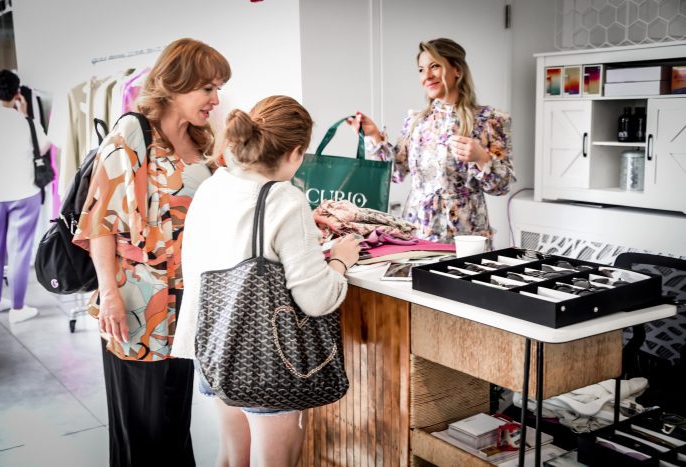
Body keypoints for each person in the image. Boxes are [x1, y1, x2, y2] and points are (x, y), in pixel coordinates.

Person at [171, 95, 361, 467]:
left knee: (231, 457)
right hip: (262, 359)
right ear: (294, 152)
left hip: (211, 349)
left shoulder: (214, 185)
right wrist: (340, 259)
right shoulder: (286, 200)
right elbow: (317, 299)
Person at [71, 38, 231, 467]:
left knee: (174, 423)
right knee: (142, 430)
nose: (216, 99)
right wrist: (109, 295)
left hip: (186, 307)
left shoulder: (200, 141)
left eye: (218, 88)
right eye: (208, 89)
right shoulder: (132, 133)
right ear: (176, 85)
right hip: (137, 305)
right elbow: (99, 221)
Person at [348, 38, 516, 243]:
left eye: (435, 66)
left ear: (457, 70)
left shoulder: (491, 119)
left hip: (465, 237)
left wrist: (481, 157)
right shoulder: (416, 121)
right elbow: (395, 173)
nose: (427, 76)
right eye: (421, 69)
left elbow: (503, 186)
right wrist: (373, 135)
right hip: (417, 231)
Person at [0, 69, 50, 323]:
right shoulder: (27, 123)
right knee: (20, 250)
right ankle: (18, 307)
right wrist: (23, 115)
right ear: (17, 94)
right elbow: (43, 148)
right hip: (25, 193)